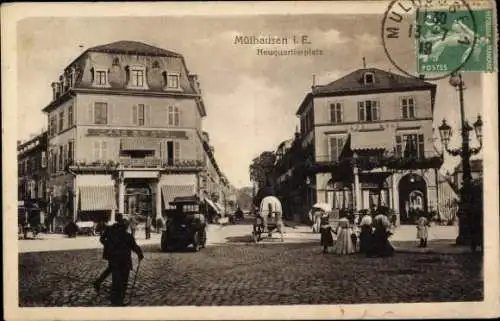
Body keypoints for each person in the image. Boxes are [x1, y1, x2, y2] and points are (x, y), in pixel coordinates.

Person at [106, 218, 144, 306]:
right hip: (125, 263)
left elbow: (108, 247)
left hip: (115, 262)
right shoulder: (128, 236)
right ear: (126, 227)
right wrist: (140, 254)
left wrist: (110, 258)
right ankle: (120, 300)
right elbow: (134, 246)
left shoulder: (113, 236)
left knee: (116, 281)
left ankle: (114, 301)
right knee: (123, 282)